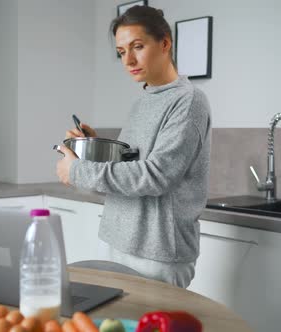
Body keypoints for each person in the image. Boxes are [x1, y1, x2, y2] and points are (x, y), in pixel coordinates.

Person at [55, 5, 211, 288]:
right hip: (116, 241)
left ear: (165, 43)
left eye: (137, 47)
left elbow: (156, 176)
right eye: (121, 51)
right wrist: (93, 146)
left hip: (158, 253)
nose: (128, 60)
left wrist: (77, 171)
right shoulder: (143, 101)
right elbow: (130, 164)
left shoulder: (189, 101)